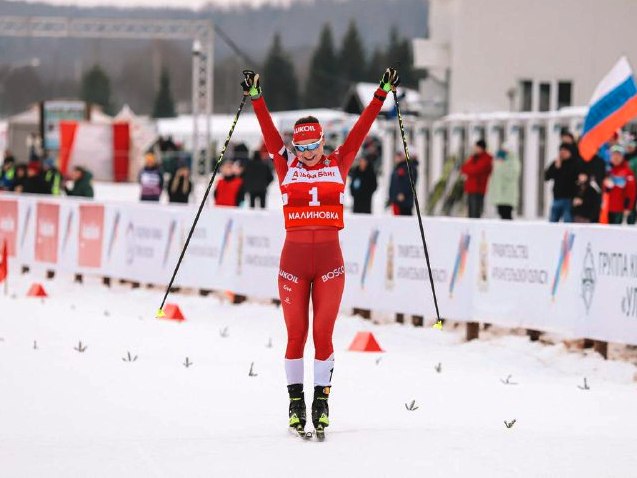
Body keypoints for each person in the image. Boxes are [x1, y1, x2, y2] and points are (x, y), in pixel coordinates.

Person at [242, 66, 399, 437]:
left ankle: (321, 400)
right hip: (293, 264)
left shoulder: (339, 163)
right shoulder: (285, 166)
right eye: (302, 147)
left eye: (314, 146)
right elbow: (268, 134)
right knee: (296, 334)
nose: (308, 154)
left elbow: (360, 130)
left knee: (324, 336)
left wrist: (379, 95)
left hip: (329, 264)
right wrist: (257, 98)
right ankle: (296, 403)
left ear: (323, 143)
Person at [544, 143, 578, 222]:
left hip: (569, 198)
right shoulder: (556, 163)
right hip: (557, 197)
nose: (562, 153)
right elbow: (547, 177)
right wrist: (556, 168)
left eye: (565, 151)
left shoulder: (575, 164)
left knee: (567, 221)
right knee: (553, 221)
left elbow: (570, 177)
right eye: (561, 151)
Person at [460, 139, 493, 218]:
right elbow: (463, 168)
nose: (474, 149)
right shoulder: (474, 157)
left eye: (476, 147)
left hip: (478, 189)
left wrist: (469, 169)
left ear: (481, 148)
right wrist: (469, 169)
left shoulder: (486, 158)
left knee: (475, 212)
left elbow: (475, 170)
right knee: (470, 212)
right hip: (470, 188)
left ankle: (476, 228)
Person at [604, 145, 636, 224]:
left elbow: (631, 192)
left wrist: (628, 208)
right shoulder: (608, 170)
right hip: (607, 208)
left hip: (620, 209)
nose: (616, 158)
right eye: (614, 155)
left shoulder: (627, 172)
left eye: (618, 155)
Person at [487, 145, 520, 220]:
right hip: (500, 195)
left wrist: (501, 165)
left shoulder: (513, 161)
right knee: (501, 213)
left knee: (507, 214)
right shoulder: (498, 162)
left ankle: (509, 230)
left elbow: (512, 174)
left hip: (508, 195)